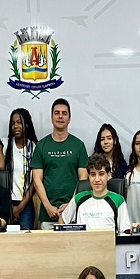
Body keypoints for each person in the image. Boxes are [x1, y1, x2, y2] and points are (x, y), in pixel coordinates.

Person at [31, 98, 88, 228]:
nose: (60, 116)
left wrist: (71, 205)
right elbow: (37, 179)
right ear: (51, 117)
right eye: (57, 113)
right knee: (48, 249)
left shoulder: (78, 145)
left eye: (64, 113)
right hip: (47, 214)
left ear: (69, 118)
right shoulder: (41, 146)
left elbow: (83, 179)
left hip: (73, 213)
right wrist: (48, 206)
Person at [60, 153, 128, 232]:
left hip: (107, 243)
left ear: (108, 176)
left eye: (101, 174)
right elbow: (63, 220)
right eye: (93, 175)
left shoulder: (118, 200)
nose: (97, 179)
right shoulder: (78, 198)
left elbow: (124, 231)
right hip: (81, 243)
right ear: (88, 177)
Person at [4, 108, 38, 230]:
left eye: (19, 122)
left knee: (24, 242)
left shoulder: (34, 148)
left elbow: (35, 182)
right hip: (5, 203)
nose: (15, 126)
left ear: (27, 124)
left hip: (26, 204)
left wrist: (20, 207)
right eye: (13, 123)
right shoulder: (5, 145)